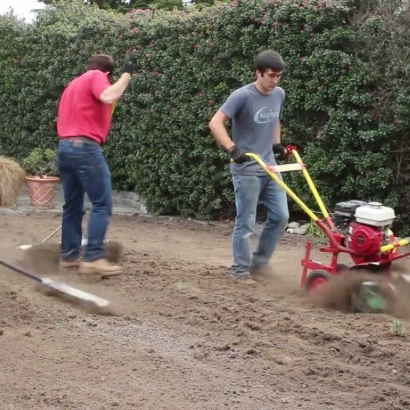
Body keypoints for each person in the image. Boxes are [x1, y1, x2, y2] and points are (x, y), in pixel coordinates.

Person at [209, 50, 289, 286]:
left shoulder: (278, 94)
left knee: (281, 216)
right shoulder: (241, 96)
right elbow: (215, 122)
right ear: (258, 73)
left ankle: (260, 264)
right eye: (271, 76)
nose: (275, 81)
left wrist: (277, 144)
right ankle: (241, 272)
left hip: (269, 167)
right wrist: (232, 148)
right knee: (246, 222)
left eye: (279, 76)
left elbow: (275, 119)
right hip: (246, 170)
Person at [56, 53, 134, 277]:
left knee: (72, 206)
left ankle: (69, 256)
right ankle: (92, 258)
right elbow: (109, 96)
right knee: (102, 204)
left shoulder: (73, 85)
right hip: (85, 147)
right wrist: (127, 74)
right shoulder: (96, 76)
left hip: (65, 147)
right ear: (106, 72)